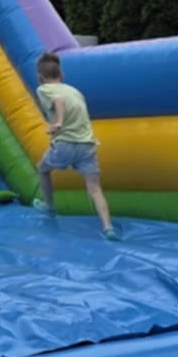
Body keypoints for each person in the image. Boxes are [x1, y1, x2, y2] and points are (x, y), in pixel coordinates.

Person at [34, 51, 115, 237]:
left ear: (40, 77)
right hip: (87, 144)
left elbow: (59, 101)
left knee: (42, 169)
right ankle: (108, 227)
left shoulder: (43, 89)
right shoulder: (75, 91)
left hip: (65, 143)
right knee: (95, 189)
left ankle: (49, 206)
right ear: (61, 75)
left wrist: (59, 122)